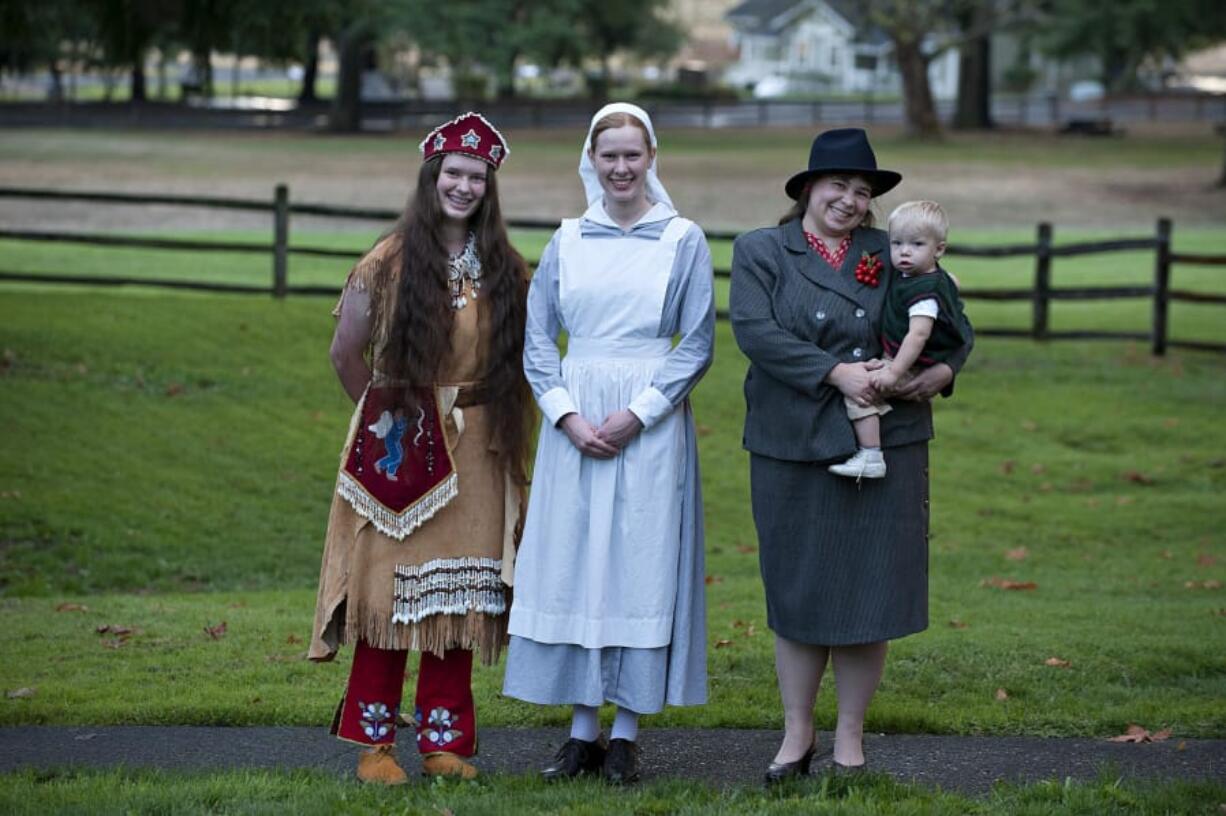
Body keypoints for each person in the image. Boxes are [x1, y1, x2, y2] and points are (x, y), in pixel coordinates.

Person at [728, 128, 973, 782]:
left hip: (887, 443)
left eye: (862, 190)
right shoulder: (761, 250)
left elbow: (949, 316)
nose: (848, 198)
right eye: (837, 184)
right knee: (799, 591)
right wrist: (836, 373)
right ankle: (795, 736)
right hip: (793, 441)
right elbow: (756, 333)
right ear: (808, 187)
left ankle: (851, 743)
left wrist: (943, 372)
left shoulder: (892, 249)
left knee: (870, 595)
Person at [308, 112, 532, 785]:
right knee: (385, 596)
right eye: (453, 174)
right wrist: (389, 426)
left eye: (477, 177)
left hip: (480, 445)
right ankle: (374, 746)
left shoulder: (505, 269)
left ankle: (443, 742)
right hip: (402, 446)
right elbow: (346, 352)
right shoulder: (389, 259)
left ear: (489, 188)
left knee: (458, 601)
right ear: (432, 177)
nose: (463, 186)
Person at [501, 103, 715, 785]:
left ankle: (625, 733)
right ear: (590, 160)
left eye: (633, 154)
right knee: (577, 565)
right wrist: (565, 415)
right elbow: (538, 341)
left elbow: (697, 343)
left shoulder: (682, 240)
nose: (620, 167)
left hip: (647, 426)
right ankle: (580, 730)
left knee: (637, 563)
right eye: (608, 155)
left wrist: (640, 413)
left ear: (652, 157)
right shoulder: (569, 238)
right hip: (577, 423)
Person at [828, 200, 969, 479]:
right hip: (904, 361)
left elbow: (918, 335)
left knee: (861, 391)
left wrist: (893, 371)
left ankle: (871, 455)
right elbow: (951, 282)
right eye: (897, 243)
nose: (904, 252)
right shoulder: (926, 277)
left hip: (910, 364)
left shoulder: (923, 295)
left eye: (916, 245)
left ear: (938, 249)